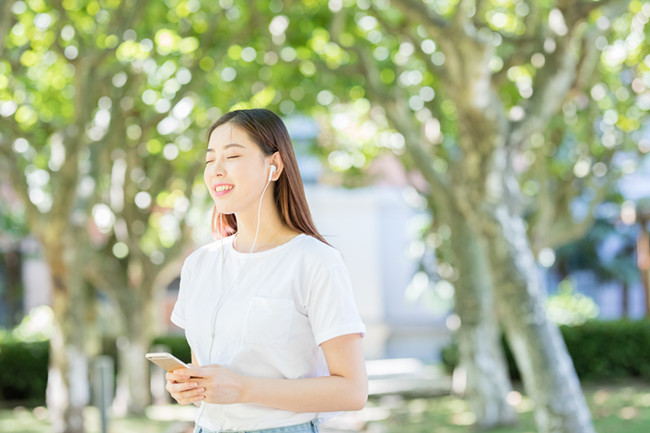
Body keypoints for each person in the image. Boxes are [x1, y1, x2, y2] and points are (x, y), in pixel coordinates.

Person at [166, 108, 367, 433]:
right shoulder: (199, 265)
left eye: (232, 156)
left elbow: (353, 391)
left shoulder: (314, 262)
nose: (216, 170)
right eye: (209, 160)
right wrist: (191, 385)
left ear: (274, 165)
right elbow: (208, 371)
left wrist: (244, 388)